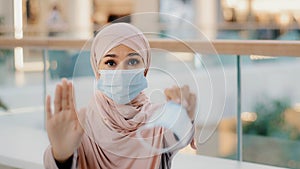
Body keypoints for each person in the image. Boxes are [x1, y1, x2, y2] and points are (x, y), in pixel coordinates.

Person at [44, 23, 196, 169]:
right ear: (97, 71)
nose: (121, 71)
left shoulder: (157, 119)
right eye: (110, 63)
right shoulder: (80, 125)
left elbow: (176, 136)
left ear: (145, 70)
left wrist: (183, 117)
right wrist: (61, 156)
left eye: (132, 61)